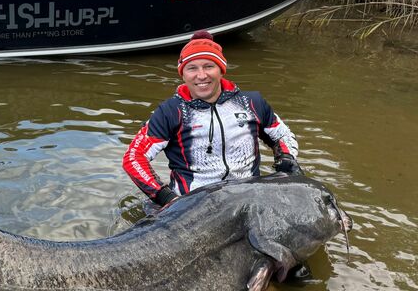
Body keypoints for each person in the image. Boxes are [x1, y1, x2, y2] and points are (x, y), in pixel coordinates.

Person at [122, 30, 302, 207]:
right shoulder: (170, 111)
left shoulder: (252, 102)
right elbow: (133, 157)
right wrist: (165, 197)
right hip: (191, 206)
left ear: (221, 70)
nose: (201, 75)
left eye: (209, 66)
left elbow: (282, 136)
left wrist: (285, 159)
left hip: (247, 201)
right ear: (183, 74)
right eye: (192, 68)